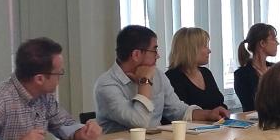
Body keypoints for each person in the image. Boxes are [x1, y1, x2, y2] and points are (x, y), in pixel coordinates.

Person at [96, 25, 228, 132]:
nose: (158, 56)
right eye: (154, 50)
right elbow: (141, 124)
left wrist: (208, 114)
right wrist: (145, 81)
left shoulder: (158, 75)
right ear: (136, 54)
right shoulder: (107, 85)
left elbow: (178, 111)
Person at [166, 27, 226, 111]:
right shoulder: (172, 77)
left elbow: (219, 103)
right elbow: (179, 114)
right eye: (205, 46)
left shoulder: (206, 73)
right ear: (190, 49)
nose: (209, 51)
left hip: (217, 123)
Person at [233, 22, 279, 111]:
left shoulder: (277, 70)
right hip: (257, 123)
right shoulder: (242, 75)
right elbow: (250, 106)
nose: (277, 43)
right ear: (262, 43)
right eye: (274, 39)